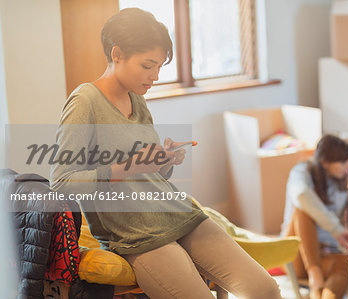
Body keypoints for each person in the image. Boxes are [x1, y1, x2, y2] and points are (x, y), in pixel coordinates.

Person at [50, 8, 281, 299]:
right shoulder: (85, 101)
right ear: (117, 54)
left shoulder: (137, 96)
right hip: (137, 235)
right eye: (148, 65)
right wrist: (127, 168)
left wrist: (164, 161)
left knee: (265, 289)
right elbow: (61, 184)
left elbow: (147, 169)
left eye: (159, 67)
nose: (155, 76)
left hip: (178, 213)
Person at [281, 134, 348, 299]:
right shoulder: (301, 171)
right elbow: (301, 195)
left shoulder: (340, 182)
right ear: (325, 162)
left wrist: (341, 236)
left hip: (323, 249)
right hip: (295, 252)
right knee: (302, 209)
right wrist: (336, 229)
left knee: (344, 263)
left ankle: (318, 291)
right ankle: (314, 273)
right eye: (343, 162)